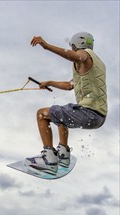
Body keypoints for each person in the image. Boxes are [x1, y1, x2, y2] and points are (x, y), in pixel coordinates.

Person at [25, 32, 107, 175]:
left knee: (41, 114)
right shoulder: (93, 64)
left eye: (73, 47)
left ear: (77, 45)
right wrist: (49, 83)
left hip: (89, 113)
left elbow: (78, 56)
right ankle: (63, 155)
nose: (74, 50)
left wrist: (46, 46)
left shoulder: (85, 55)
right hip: (97, 116)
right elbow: (69, 85)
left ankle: (49, 160)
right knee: (61, 113)